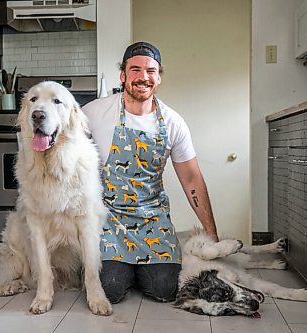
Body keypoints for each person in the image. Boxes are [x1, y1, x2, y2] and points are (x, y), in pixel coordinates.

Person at [82, 41, 219, 304]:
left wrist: (211, 233)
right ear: (123, 75)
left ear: (159, 77)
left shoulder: (173, 122)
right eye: (135, 69)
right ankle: (120, 268)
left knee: (165, 290)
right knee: (109, 289)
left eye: (151, 70)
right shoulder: (95, 113)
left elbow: (192, 178)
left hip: (152, 220)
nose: (143, 77)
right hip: (107, 221)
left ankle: (136, 268)